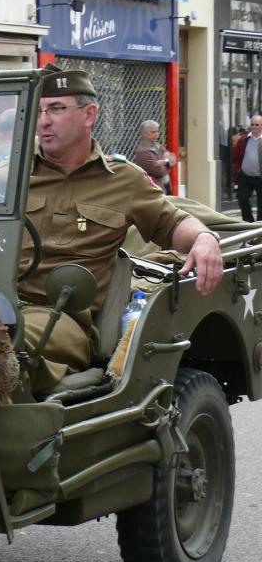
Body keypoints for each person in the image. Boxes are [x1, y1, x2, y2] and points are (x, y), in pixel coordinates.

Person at [21, 68, 223, 392]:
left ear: (89, 115)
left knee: (0, 343)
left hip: (64, 320)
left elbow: (172, 223)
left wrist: (204, 238)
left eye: (56, 109)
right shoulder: (10, 174)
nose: (44, 120)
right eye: (40, 110)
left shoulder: (124, 180)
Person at [232, 115, 262, 222]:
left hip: (259, 177)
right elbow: (236, 156)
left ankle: (259, 228)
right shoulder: (244, 139)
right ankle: (249, 223)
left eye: (256, 125)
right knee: (242, 200)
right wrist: (237, 170)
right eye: (252, 124)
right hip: (245, 175)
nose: (254, 127)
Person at [132, 120, 172, 194]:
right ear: (144, 134)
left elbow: (171, 158)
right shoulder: (143, 151)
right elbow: (157, 171)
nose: (157, 134)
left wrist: (164, 162)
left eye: (157, 131)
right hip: (154, 189)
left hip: (163, 186)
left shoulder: (156, 144)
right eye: (153, 132)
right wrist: (167, 164)